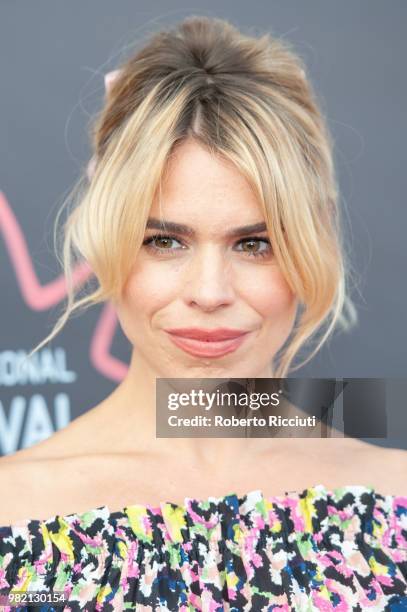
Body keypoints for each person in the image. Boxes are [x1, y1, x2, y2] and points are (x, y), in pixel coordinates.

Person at [0, 15, 406, 611]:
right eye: (165, 241)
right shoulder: (13, 510)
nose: (210, 291)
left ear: (310, 246)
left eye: (254, 243)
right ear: (107, 239)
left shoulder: (395, 496)